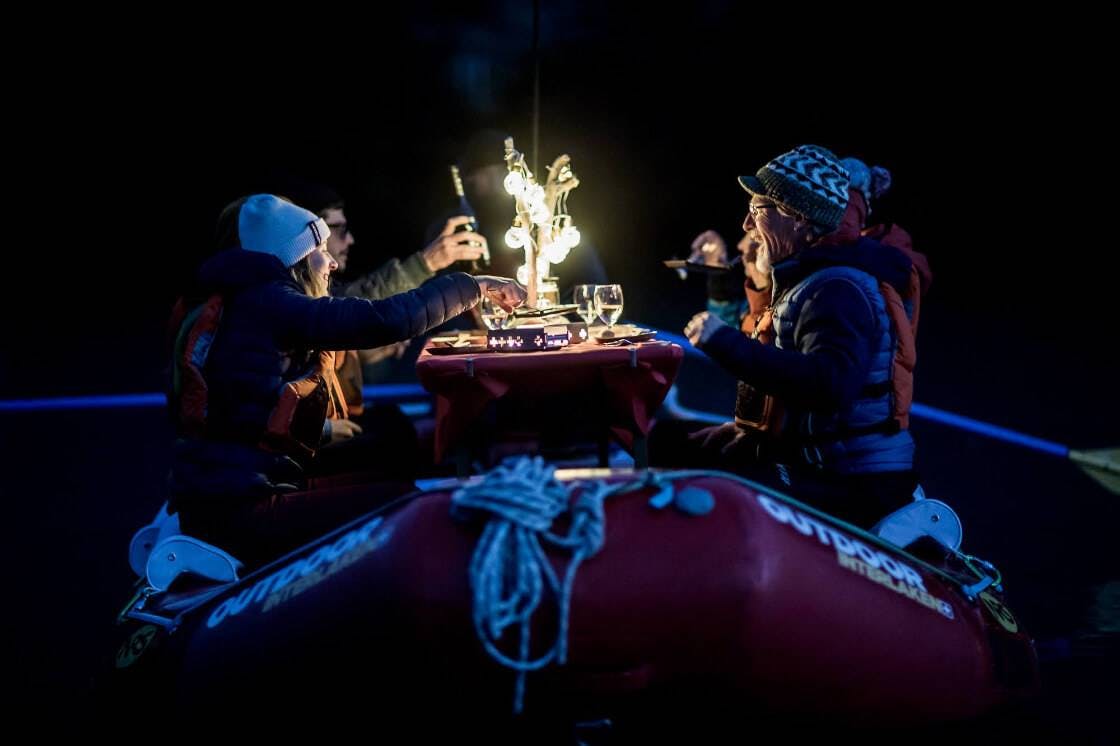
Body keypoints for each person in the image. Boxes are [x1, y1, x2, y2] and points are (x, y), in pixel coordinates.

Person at [168, 194, 525, 565]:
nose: (333, 261)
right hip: (242, 508)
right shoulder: (267, 304)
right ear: (295, 259)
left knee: (393, 456)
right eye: (320, 248)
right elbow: (380, 319)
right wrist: (473, 287)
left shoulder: (244, 301)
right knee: (399, 503)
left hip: (234, 494)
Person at [678, 145, 919, 529]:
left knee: (713, 492)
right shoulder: (806, 279)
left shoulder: (837, 288)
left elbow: (829, 385)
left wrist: (726, 343)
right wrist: (753, 435)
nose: (745, 225)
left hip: (853, 480)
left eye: (757, 210)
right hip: (822, 462)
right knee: (680, 445)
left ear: (799, 219)